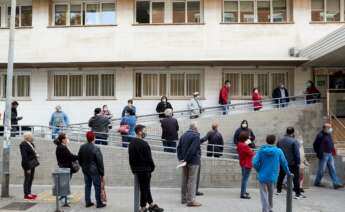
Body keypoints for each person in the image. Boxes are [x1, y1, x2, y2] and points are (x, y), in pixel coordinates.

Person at [128, 124, 164, 212]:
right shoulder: (144, 144)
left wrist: (133, 169)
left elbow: (130, 159)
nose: (145, 132)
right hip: (145, 170)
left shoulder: (131, 143)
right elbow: (149, 159)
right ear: (139, 132)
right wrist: (152, 168)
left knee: (145, 188)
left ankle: (151, 205)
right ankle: (143, 208)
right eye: (144, 130)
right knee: (144, 189)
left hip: (137, 170)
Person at [253, 135, 291, 212]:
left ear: (266, 141)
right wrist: (288, 173)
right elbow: (284, 163)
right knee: (270, 193)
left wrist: (259, 170)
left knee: (264, 194)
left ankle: (265, 210)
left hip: (263, 176)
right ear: (274, 141)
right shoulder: (279, 151)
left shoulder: (261, 150)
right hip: (273, 176)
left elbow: (254, 163)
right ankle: (270, 208)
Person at [78, 131, 106, 208]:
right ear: (94, 138)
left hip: (85, 170)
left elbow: (79, 158)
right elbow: (100, 162)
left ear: (87, 138)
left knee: (87, 185)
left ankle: (88, 202)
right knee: (97, 186)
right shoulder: (96, 148)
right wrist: (102, 173)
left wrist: (82, 166)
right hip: (94, 171)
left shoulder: (82, 147)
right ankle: (99, 203)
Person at [177, 122, 202, 207]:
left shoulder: (183, 135)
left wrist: (181, 158)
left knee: (184, 180)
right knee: (192, 181)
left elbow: (178, 148)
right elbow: (193, 149)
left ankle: (183, 199)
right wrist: (186, 159)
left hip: (184, 161)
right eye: (197, 128)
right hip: (193, 161)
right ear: (195, 128)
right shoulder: (196, 136)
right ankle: (191, 201)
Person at [313, 123, 344, 189]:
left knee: (332, 169)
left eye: (330, 127)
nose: (330, 129)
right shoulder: (320, 135)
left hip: (330, 154)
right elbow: (315, 144)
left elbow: (331, 143)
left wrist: (333, 151)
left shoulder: (328, 134)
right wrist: (319, 153)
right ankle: (317, 182)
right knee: (321, 170)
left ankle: (336, 183)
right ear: (324, 128)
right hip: (324, 154)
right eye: (329, 128)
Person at [276, 127, 304, 199]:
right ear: (293, 132)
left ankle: (278, 190)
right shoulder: (294, 141)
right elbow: (297, 153)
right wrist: (298, 162)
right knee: (295, 178)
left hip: (283, 162)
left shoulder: (280, 140)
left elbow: (277, 150)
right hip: (292, 163)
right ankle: (297, 193)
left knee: (281, 176)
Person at [54, 133, 78, 206]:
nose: (67, 139)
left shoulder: (60, 146)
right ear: (63, 140)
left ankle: (63, 196)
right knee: (65, 183)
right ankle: (64, 198)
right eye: (66, 138)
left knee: (65, 183)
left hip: (63, 166)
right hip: (65, 167)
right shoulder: (62, 147)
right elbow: (70, 156)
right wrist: (78, 156)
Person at [20, 132, 40, 200]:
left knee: (31, 179)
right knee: (27, 179)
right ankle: (26, 194)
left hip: (32, 163)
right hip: (27, 164)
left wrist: (35, 155)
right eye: (31, 136)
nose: (32, 137)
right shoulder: (23, 144)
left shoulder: (31, 144)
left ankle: (29, 193)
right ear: (27, 137)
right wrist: (27, 167)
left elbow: (32, 152)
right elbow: (24, 156)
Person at [237, 131, 255, 199]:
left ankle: (244, 191)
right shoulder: (244, 146)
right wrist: (251, 149)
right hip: (247, 164)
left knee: (244, 178)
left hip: (242, 163)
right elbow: (252, 154)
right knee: (245, 179)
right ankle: (243, 194)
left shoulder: (240, 144)